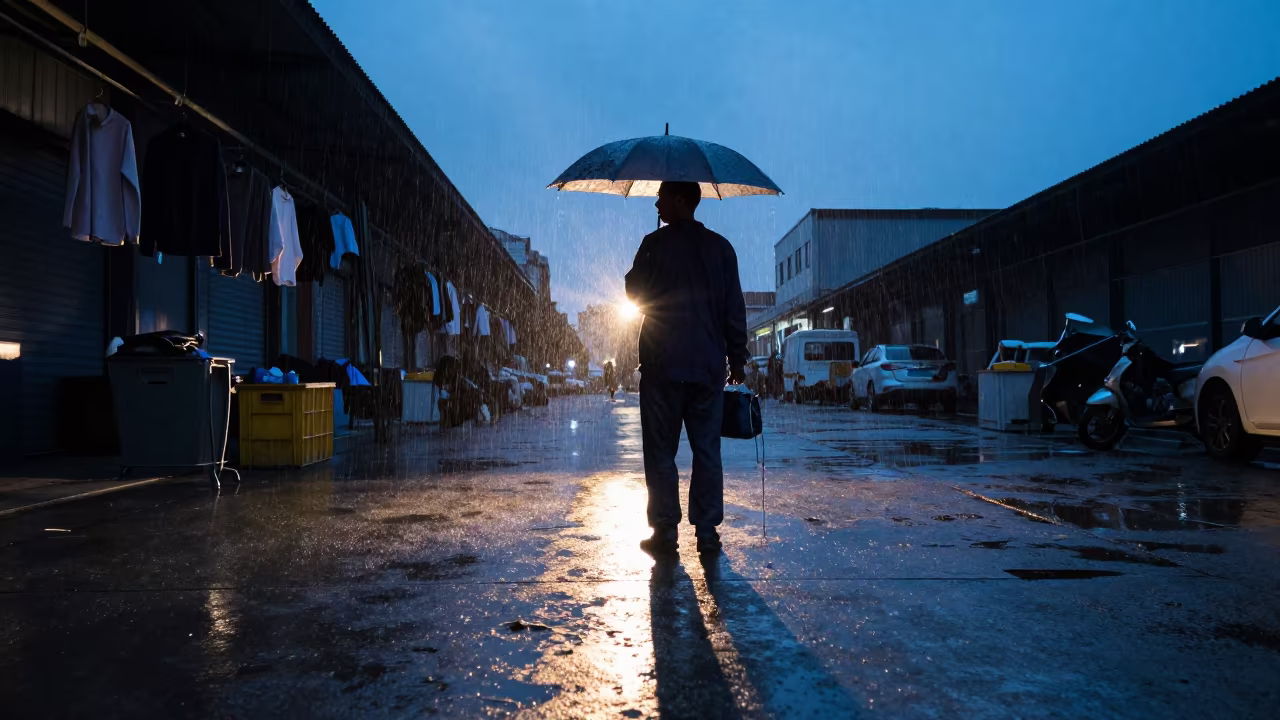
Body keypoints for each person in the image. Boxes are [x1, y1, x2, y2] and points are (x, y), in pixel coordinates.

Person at [624, 181, 749, 555]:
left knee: (661, 453)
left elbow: (634, 293)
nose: (656, 203)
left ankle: (665, 532)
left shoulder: (654, 244)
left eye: (661, 197)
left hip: (662, 366)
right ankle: (707, 533)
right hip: (706, 368)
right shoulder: (721, 249)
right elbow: (734, 310)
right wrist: (737, 359)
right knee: (707, 451)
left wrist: (649, 261)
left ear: (680, 200)